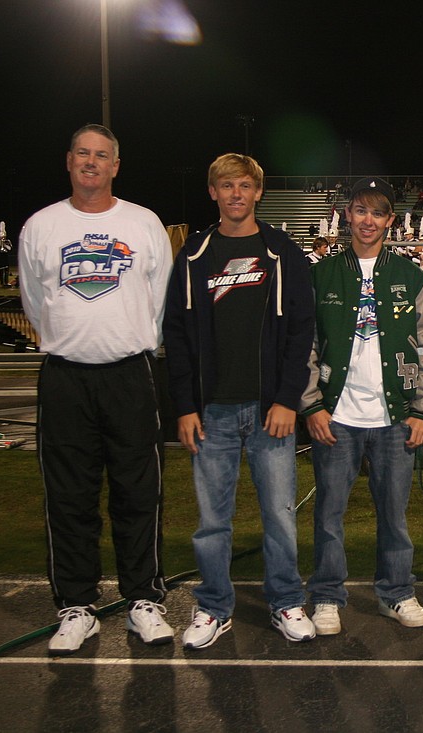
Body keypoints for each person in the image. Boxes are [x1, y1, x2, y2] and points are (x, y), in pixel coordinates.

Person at [18, 124, 174, 656]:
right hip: (65, 376)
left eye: (101, 155)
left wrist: (126, 341)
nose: (91, 162)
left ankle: (143, 601)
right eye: (82, 154)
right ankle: (76, 607)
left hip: (130, 375)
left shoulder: (142, 222)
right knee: (69, 497)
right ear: (68, 161)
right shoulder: (41, 226)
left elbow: (159, 299)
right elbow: (35, 303)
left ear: (115, 164)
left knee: (139, 493)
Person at [163, 153, 317, 649]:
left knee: (280, 514)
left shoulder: (282, 252)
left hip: (271, 410)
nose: (235, 194)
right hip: (212, 413)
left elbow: (300, 331)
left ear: (257, 193)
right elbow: (178, 337)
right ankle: (213, 607)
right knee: (213, 521)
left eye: (244, 186)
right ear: (214, 192)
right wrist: (184, 406)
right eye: (226, 186)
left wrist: (288, 398)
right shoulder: (193, 255)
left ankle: (286, 601)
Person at [301, 177, 423, 635]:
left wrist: (421, 410)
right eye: (360, 210)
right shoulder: (321, 273)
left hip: (393, 416)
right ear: (347, 215)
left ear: (390, 221)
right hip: (336, 415)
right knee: (329, 513)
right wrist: (311, 404)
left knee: (394, 515)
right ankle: (325, 595)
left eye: (378, 213)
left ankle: (396, 592)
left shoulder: (410, 276)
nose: (368, 221)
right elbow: (307, 344)